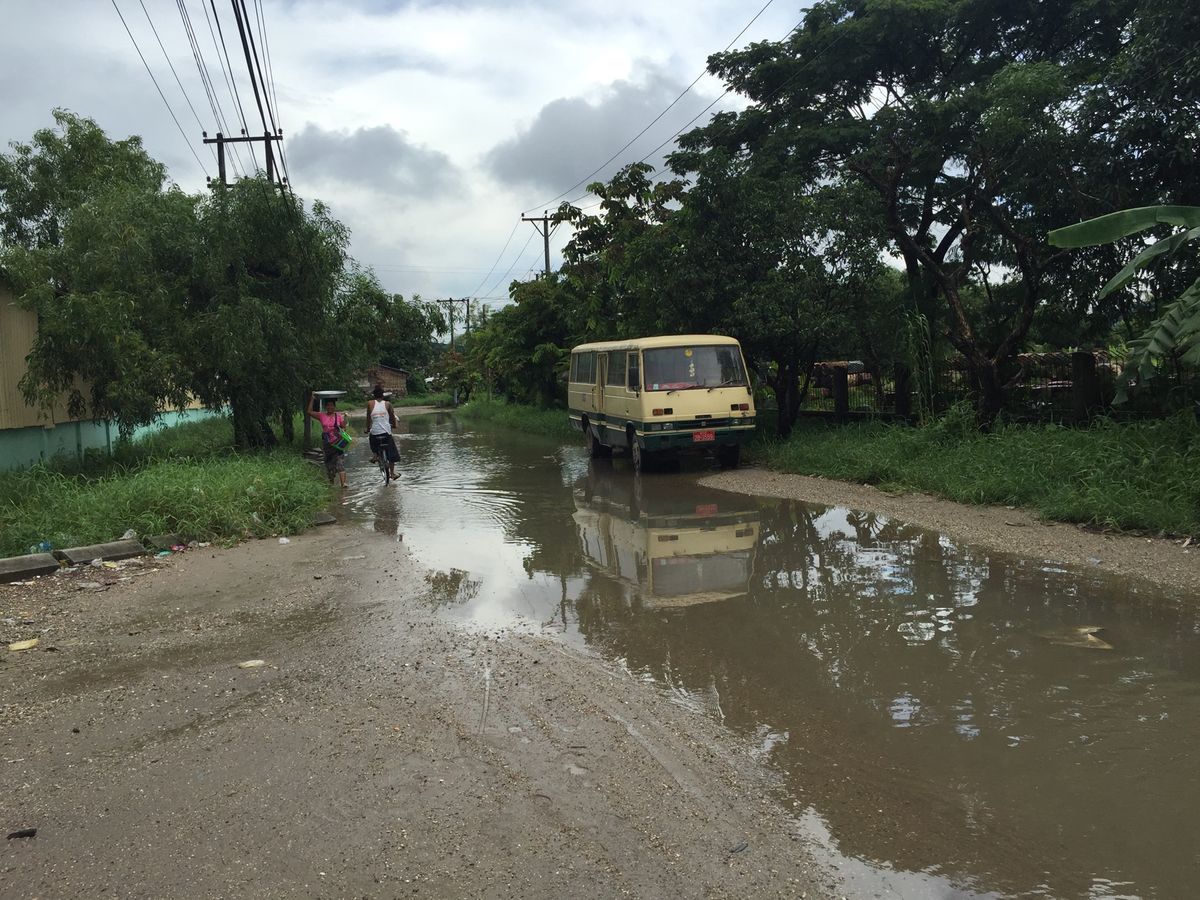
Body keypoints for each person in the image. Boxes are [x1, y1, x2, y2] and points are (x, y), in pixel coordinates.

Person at [306, 392, 349, 488]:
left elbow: (344, 428)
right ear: (326, 407)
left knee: (340, 463)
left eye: (332, 405)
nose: (330, 407)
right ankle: (331, 484)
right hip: (327, 444)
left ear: (334, 406)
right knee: (329, 467)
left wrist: (342, 429)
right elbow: (309, 412)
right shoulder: (322, 416)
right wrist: (312, 399)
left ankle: (343, 484)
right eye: (328, 405)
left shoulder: (339, 416)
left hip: (338, 444)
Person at [366, 384, 399, 481]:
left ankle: (375, 455)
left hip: (375, 433)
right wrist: (394, 425)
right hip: (386, 433)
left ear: (374, 395)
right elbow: (392, 417)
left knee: (371, 437)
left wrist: (367, 429)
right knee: (392, 453)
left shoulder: (369, 403)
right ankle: (392, 473)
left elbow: (368, 419)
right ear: (383, 395)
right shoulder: (388, 404)